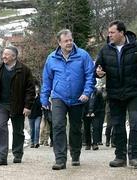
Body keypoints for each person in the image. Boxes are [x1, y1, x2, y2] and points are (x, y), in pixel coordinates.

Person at [96, 20, 137, 168]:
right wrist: (98, 73)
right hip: (114, 93)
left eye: (112, 32)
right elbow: (97, 68)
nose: (109, 35)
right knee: (118, 125)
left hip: (134, 92)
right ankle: (120, 156)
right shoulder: (105, 50)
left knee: (135, 123)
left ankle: (135, 156)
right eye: (108, 32)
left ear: (122, 33)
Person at [41, 29, 95, 170]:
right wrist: (44, 98)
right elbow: (47, 80)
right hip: (59, 97)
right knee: (58, 125)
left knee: (76, 128)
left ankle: (75, 155)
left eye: (71, 40)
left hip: (78, 98)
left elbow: (90, 76)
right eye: (66, 41)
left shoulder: (83, 55)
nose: (69, 43)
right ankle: (60, 159)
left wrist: (87, 92)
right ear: (59, 42)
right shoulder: (51, 58)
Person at [0, 46, 35, 166]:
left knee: (18, 131)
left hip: (18, 105)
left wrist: (28, 106)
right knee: (1, 127)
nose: (4, 56)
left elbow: (30, 90)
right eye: (3, 54)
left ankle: (17, 153)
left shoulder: (24, 70)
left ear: (14, 56)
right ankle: (1, 156)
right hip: (1, 104)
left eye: (7, 54)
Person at [28, 83, 42, 148]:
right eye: (35, 88)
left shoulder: (40, 97)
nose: (36, 89)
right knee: (32, 129)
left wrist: (37, 98)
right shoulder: (29, 96)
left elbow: (40, 105)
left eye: (37, 88)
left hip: (38, 115)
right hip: (30, 115)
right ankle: (32, 142)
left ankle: (36, 142)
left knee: (37, 128)